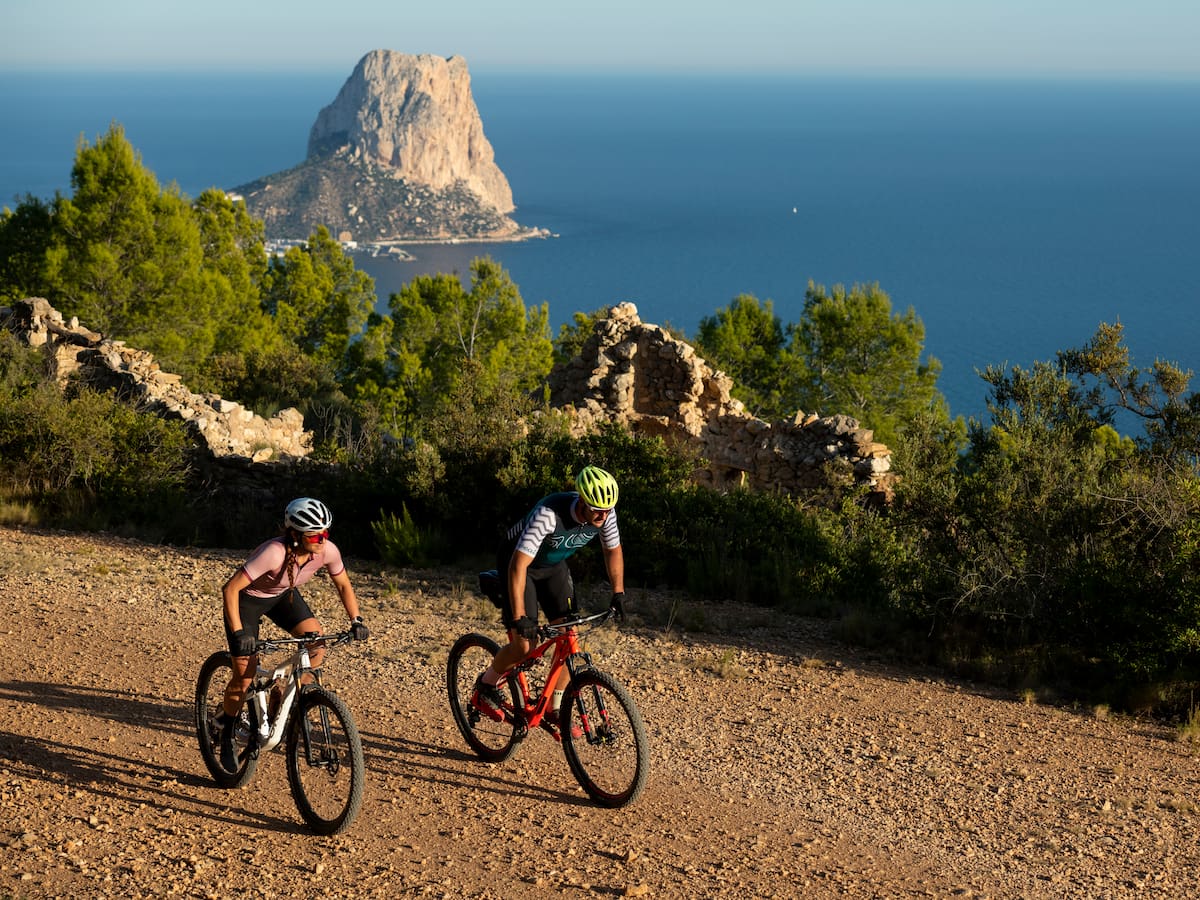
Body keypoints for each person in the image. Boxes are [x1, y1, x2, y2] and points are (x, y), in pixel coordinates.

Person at [213, 497, 369, 771]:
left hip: (282, 597)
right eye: (315, 534)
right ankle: (225, 727)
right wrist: (239, 632)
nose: (322, 539)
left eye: (325, 533)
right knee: (244, 675)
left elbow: (343, 585)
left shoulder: (328, 551)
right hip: (247, 601)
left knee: (317, 644)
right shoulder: (273, 553)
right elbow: (230, 589)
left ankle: (283, 694)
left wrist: (356, 620)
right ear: (295, 535)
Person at [472, 465, 627, 732]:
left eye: (607, 509)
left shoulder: (606, 513)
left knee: (570, 638)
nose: (603, 515)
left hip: (553, 566)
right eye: (596, 509)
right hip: (519, 564)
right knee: (524, 646)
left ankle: (554, 709)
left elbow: (612, 551)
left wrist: (618, 593)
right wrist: (520, 618)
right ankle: (485, 686)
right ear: (581, 501)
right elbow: (518, 566)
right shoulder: (548, 515)